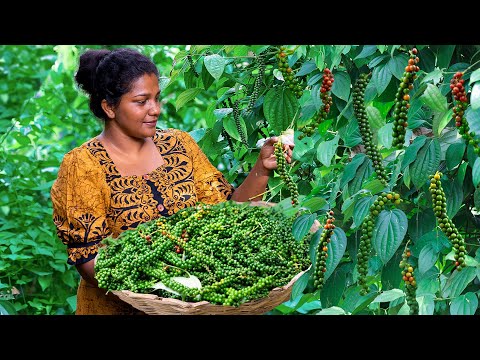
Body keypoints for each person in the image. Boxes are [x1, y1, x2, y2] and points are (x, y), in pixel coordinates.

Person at [50, 47, 294, 315]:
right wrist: (165, 285)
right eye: (141, 101)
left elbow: (230, 215)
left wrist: (263, 167)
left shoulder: (179, 145)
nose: (155, 110)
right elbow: (88, 261)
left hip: (195, 304)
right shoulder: (83, 165)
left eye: (157, 98)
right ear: (109, 107)